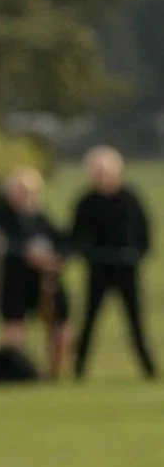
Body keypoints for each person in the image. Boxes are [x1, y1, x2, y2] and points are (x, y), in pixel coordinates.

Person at [68, 145, 154, 380]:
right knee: (89, 320)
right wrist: (90, 253)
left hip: (127, 270)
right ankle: (78, 371)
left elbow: (144, 233)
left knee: (135, 322)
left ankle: (149, 370)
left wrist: (136, 254)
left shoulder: (129, 199)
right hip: (98, 270)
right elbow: (76, 237)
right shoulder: (87, 202)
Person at [0, 164, 72, 380]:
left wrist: (54, 259)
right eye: (22, 191)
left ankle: (54, 376)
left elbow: (62, 244)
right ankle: (13, 372)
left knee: (61, 328)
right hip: (14, 283)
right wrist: (25, 255)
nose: (28, 196)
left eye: (32, 192)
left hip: (45, 283)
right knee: (13, 330)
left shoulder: (41, 219)